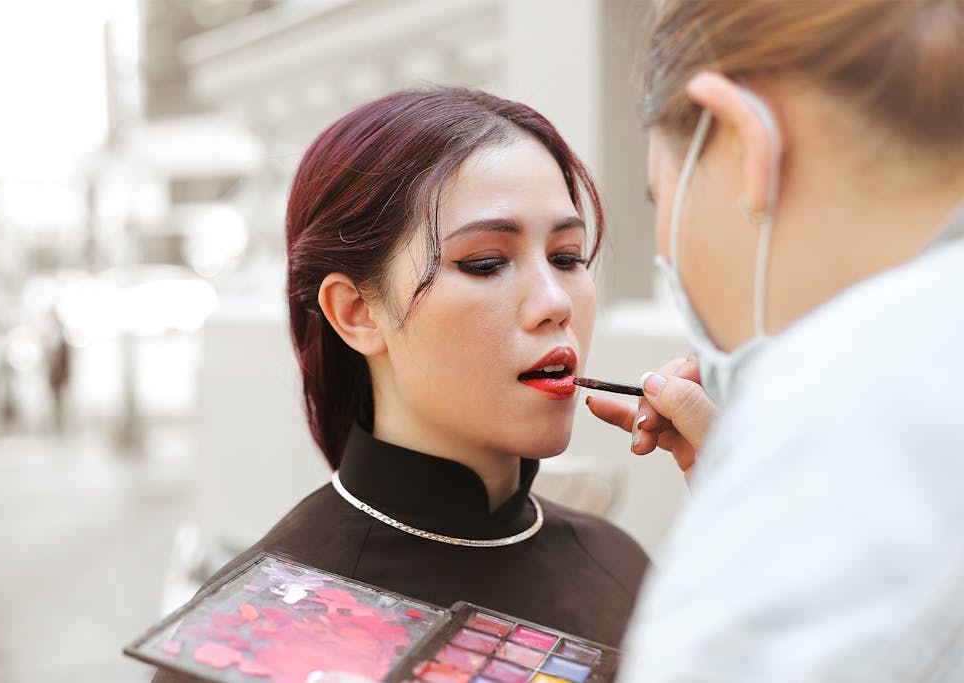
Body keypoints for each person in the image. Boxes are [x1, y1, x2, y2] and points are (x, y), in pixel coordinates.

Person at [150, 87, 649, 682]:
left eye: (567, 257)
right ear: (357, 312)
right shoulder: (252, 638)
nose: (555, 302)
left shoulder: (624, 568)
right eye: (486, 262)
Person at [583, 1, 964, 680]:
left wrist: (770, 508)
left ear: (739, 135)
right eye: (487, 263)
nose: (553, 303)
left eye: (656, 196)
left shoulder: (848, 412)